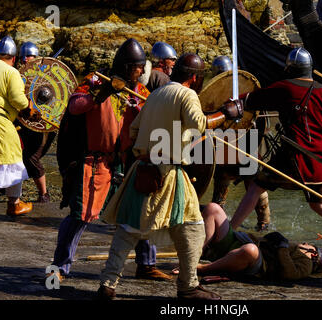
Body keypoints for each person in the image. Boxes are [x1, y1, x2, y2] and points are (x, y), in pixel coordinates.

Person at [96, 53, 239, 300]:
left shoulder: (155, 95)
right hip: (169, 173)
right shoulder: (187, 94)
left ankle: (108, 285)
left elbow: (134, 129)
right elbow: (199, 124)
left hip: (141, 169)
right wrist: (225, 113)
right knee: (193, 230)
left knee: (128, 230)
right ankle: (188, 286)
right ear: (195, 78)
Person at [222, 47, 322, 254]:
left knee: (256, 187)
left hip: (293, 157)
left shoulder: (286, 88)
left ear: (290, 68)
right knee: (319, 204)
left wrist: (233, 101)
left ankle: (227, 234)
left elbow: (252, 100)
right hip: (319, 158)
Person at [49, 38, 150, 282]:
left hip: (127, 163)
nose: (141, 71)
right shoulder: (96, 81)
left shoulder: (140, 91)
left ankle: (147, 263)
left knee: (142, 214)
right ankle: (60, 267)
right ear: (125, 66)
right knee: (80, 216)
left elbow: (153, 114)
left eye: (142, 66)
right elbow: (74, 106)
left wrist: (140, 108)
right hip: (96, 162)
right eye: (137, 67)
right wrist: (103, 93)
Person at [133, 41, 179, 282]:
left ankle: (146, 263)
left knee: (142, 209)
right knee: (148, 208)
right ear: (163, 61)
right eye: (171, 60)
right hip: (154, 150)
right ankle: (146, 264)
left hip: (141, 146)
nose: (173, 64)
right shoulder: (162, 79)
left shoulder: (148, 80)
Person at [209, 55, 271, 232]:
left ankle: (263, 224)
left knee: (256, 188)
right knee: (223, 189)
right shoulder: (214, 98)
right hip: (225, 152)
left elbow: (261, 123)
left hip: (245, 148)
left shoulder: (248, 95)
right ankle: (218, 226)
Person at [0, 36, 36, 220]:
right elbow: (17, 99)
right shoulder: (11, 72)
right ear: (13, 58)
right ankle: (14, 203)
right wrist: (30, 107)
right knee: (14, 158)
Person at [197, 202, 322, 281]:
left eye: (308, 245)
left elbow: (290, 274)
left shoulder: (307, 263)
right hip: (238, 243)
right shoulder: (296, 249)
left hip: (253, 262)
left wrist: (281, 247)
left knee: (250, 250)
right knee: (213, 208)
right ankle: (197, 253)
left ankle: (203, 268)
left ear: (314, 253)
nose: (305, 243)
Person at [15, 41, 57, 203]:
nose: (27, 59)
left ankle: (44, 194)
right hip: (25, 124)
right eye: (24, 56)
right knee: (21, 156)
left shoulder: (48, 75)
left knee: (32, 158)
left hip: (44, 125)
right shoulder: (18, 75)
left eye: (30, 56)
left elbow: (56, 100)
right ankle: (9, 189)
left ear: (36, 57)